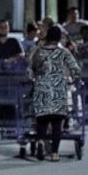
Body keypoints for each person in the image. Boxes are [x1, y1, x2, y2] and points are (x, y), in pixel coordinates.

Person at [28, 25, 81, 162]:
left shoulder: (38, 52)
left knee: (42, 120)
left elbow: (31, 70)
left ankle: (40, 141)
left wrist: (36, 79)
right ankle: (55, 153)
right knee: (57, 122)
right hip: (58, 89)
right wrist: (71, 79)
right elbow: (75, 69)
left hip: (41, 88)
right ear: (59, 38)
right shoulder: (63, 52)